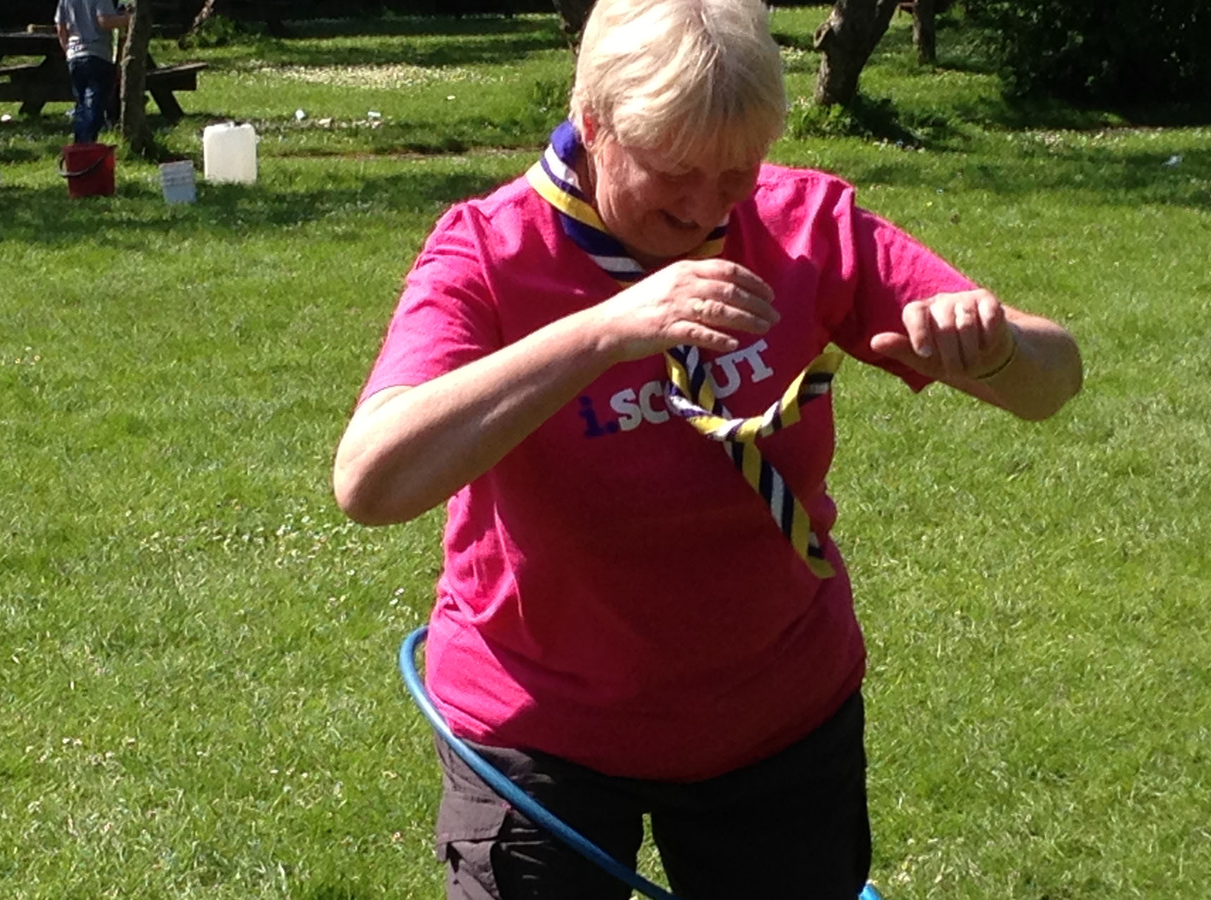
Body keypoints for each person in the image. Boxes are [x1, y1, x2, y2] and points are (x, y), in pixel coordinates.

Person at [332, 0, 1081, 897]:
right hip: (538, 724)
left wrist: (997, 350)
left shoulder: (803, 224)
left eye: (735, 172)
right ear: (595, 124)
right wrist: (601, 332)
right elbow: (369, 480)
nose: (702, 207)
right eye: (674, 171)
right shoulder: (489, 253)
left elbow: (1056, 381)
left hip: (774, 715)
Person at [53, 0, 132, 144]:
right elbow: (104, 21)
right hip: (97, 54)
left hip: (74, 56)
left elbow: (61, 28)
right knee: (94, 104)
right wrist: (128, 19)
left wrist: (68, 51)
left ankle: (79, 144)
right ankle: (86, 144)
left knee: (81, 104)